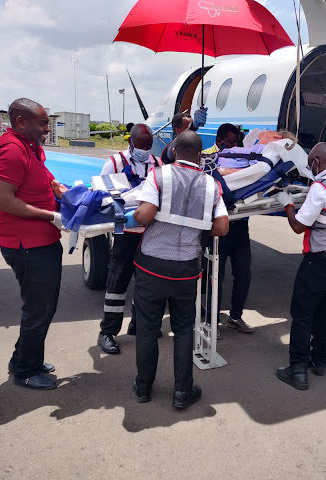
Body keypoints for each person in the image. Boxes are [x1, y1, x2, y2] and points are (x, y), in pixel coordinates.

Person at [131, 130, 229, 408]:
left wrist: (137, 215)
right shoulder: (211, 185)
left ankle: (143, 387)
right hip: (186, 268)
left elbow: (145, 214)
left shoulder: (159, 175)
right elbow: (222, 227)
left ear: (173, 150)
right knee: (184, 329)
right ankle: (182, 392)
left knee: (148, 329)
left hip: (151, 265)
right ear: (200, 156)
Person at [0, 98, 66, 390]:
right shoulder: (11, 150)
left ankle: (23, 356)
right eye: (43, 123)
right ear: (21, 122)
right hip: (27, 244)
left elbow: (44, 177)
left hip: (40, 241)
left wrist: (59, 188)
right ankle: (26, 370)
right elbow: (2, 199)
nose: (48, 128)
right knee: (39, 308)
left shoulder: (30, 146)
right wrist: (50, 215)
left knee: (39, 306)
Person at [274, 142, 326, 391]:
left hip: (319, 260)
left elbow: (299, 226)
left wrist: (287, 203)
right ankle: (319, 359)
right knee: (325, 311)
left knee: (302, 314)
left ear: (316, 162)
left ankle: (298, 369)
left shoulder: (321, 188)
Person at [97, 123, 162, 355]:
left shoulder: (158, 164)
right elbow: (102, 197)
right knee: (118, 281)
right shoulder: (114, 163)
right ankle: (108, 331)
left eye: (148, 146)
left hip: (149, 233)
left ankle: (138, 323)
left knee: (145, 282)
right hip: (124, 232)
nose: (144, 150)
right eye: (140, 146)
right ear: (130, 143)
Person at [203, 123, 253, 338]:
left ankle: (235, 316)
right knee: (215, 276)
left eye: (237, 142)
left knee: (243, 274)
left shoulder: (244, 157)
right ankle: (211, 320)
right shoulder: (206, 158)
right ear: (220, 139)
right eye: (231, 142)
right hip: (218, 228)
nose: (235, 146)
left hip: (241, 226)